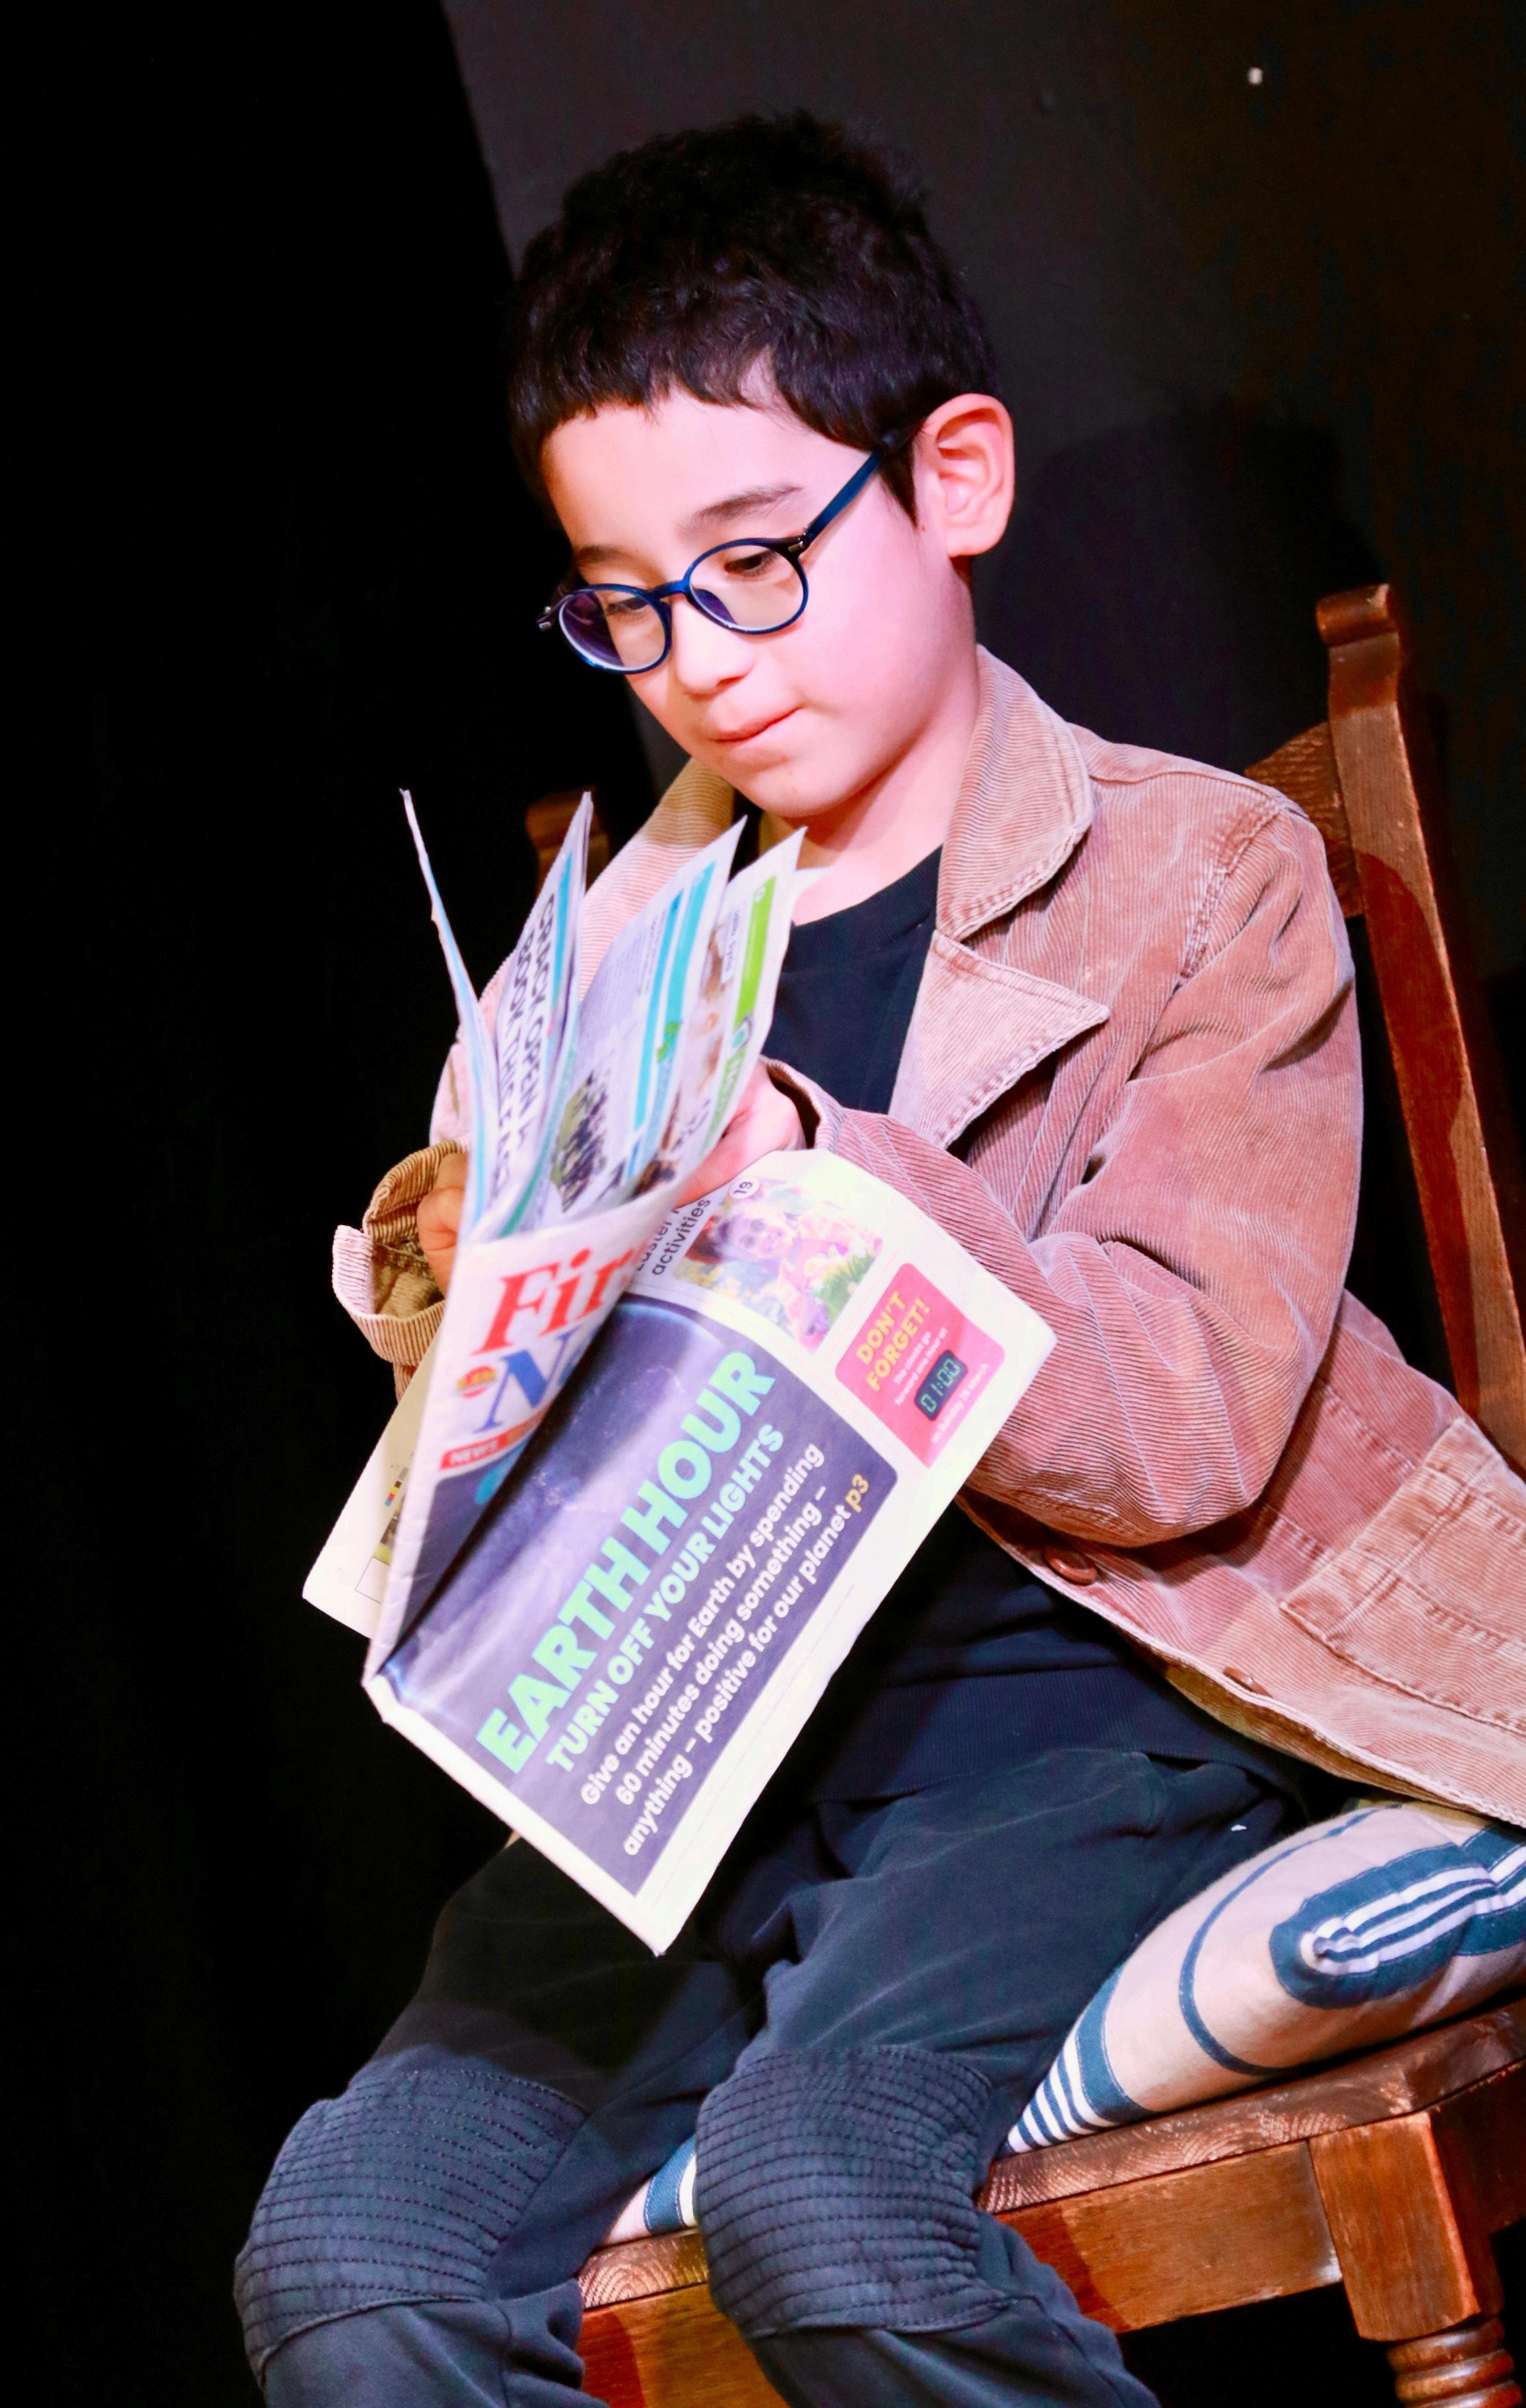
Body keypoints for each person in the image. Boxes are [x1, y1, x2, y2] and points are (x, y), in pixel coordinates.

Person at [237, 114, 1525, 2406]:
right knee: (351, 2265)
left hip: (1074, 1729)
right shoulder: (589, 966)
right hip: (686, 1773)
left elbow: (1196, 1417)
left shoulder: (1194, 880)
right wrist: (464, 1283)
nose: (698, 666)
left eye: (753, 564)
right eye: (626, 605)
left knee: (822, 2196)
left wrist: (815, 1181)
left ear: (953, 481)